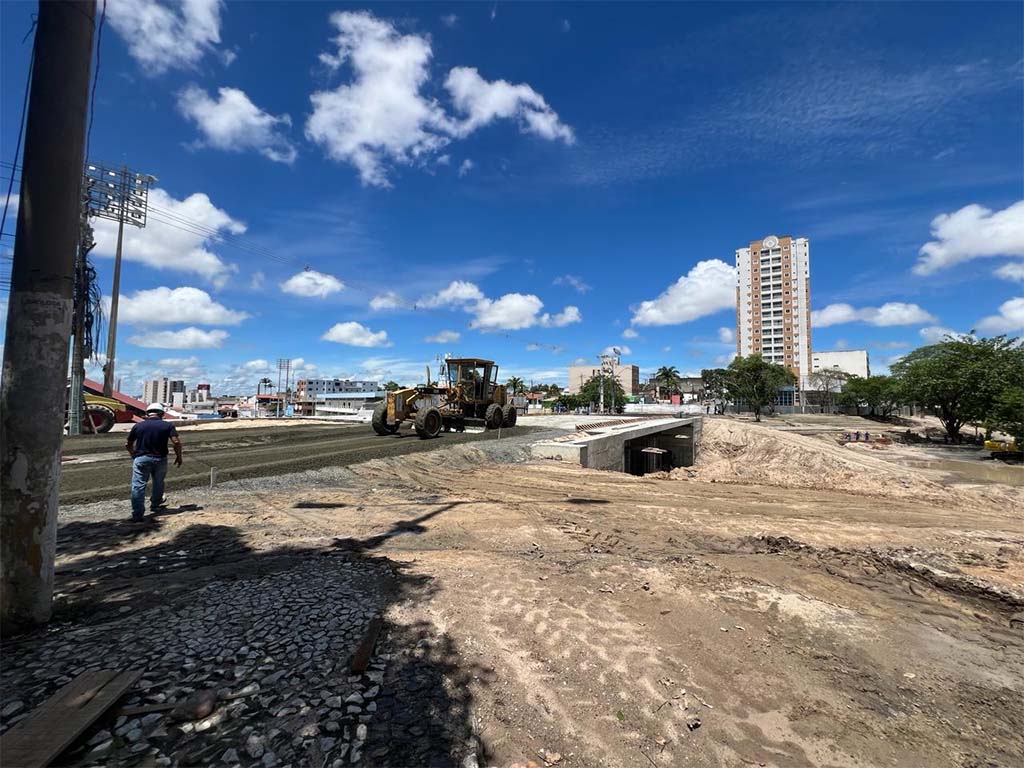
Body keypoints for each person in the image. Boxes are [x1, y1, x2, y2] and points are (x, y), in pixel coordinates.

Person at [126, 403, 183, 522]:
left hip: (141, 459)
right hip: (160, 459)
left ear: (147, 414)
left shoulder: (138, 426)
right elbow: (176, 442)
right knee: (158, 483)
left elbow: (128, 444)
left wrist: (133, 454)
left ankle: (137, 514)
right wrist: (179, 456)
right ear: (162, 414)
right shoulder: (168, 425)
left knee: (138, 486)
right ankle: (155, 505)